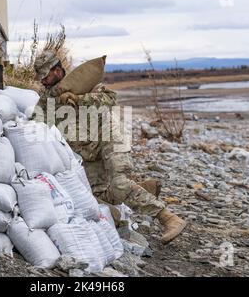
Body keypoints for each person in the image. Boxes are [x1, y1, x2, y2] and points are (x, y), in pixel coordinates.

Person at [34, 51, 187, 244]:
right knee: (92, 197)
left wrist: (79, 98)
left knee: (119, 183)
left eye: (45, 77)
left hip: (109, 138)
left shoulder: (84, 81)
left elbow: (111, 98)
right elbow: (36, 121)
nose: (43, 82)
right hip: (87, 153)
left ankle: (169, 218)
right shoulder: (48, 98)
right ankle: (139, 191)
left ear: (56, 70)